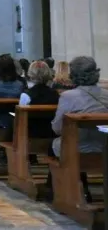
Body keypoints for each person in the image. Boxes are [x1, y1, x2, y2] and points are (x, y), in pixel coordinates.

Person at [48, 56, 107, 202]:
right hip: (104, 147)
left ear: (73, 75)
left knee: (58, 144)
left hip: (78, 149)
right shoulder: (106, 95)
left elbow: (57, 128)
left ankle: (56, 190)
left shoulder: (68, 96)